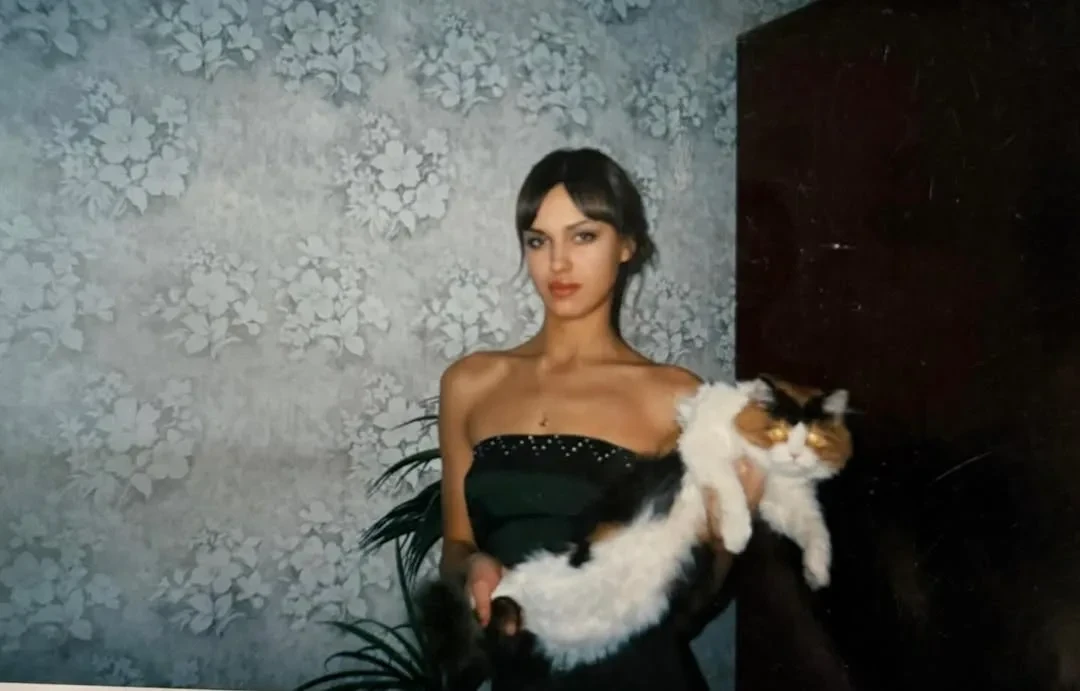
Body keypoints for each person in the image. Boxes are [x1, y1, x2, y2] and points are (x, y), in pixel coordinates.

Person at [436, 147, 766, 691]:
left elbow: (691, 604)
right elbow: (456, 545)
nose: (558, 263)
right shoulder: (469, 384)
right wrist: (472, 568)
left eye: (583, 236)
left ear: (627, 245)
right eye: (539, 241)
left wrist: (730, 530)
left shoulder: (679, 397)